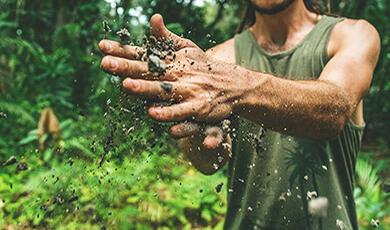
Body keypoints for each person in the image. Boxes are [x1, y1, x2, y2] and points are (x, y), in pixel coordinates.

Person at [98, 0, 380, 229]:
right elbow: (209, 162)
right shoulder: (218, 60)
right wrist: (201, 135)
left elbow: (333, 109)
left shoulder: (352, 35)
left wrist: (236, 88)